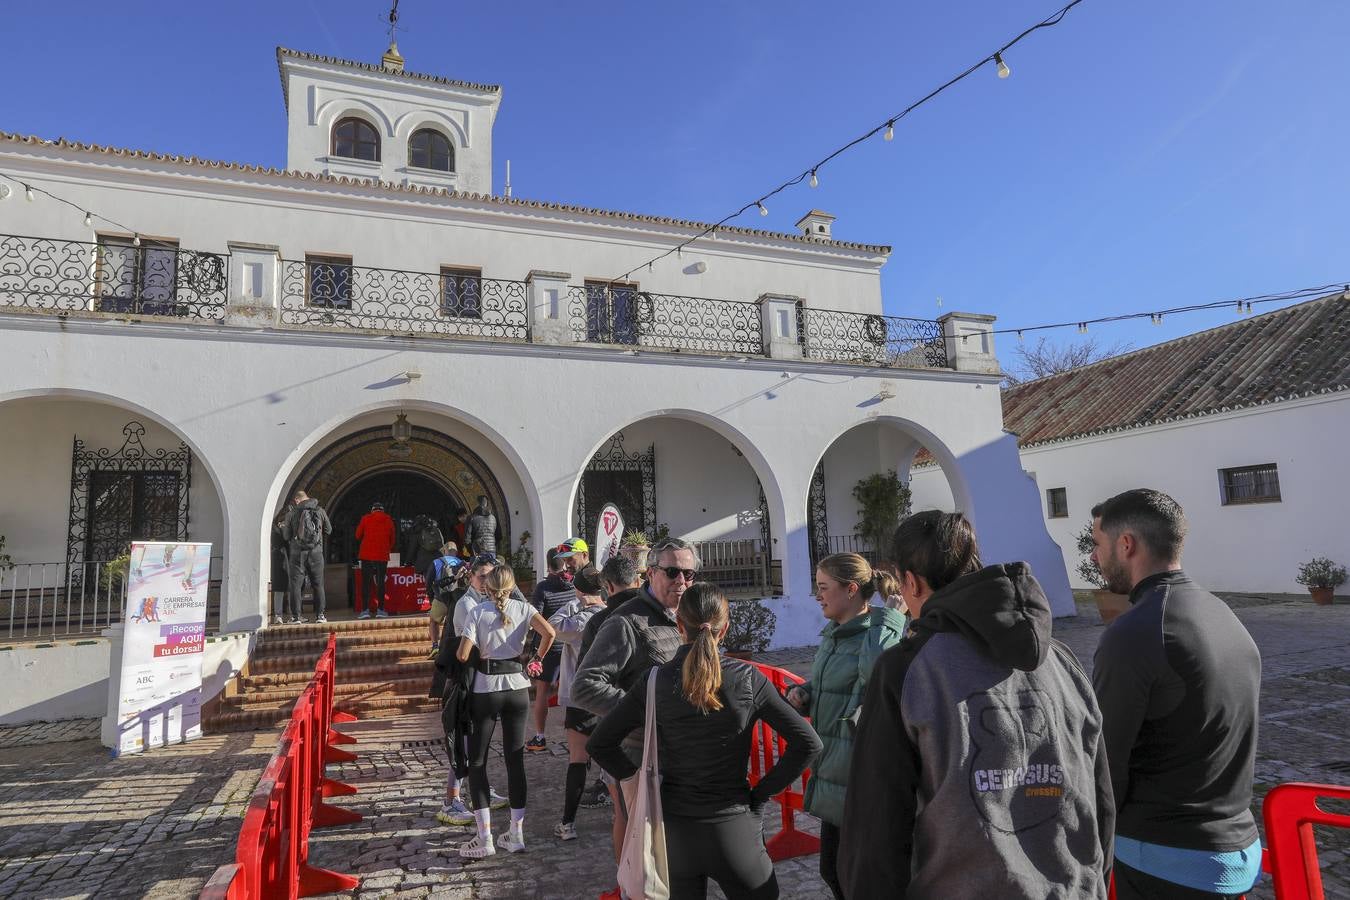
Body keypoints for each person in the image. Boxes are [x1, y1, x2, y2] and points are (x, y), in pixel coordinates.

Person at [838, 511, 1114, 899]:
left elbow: (877, 826)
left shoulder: (907, 669)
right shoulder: (1064, 660)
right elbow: (1100, 792)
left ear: (911, 583)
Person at [588, 583, 822, 900]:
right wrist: (761, 793)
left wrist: (637, 781)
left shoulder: (655, 681)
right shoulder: (748, 679)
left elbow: (600, 743)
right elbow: (808, 743)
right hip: (734, 825)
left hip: (674, 830)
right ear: (725, 629)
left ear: (679, 625)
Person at [1090, 489, 1261, 899]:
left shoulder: (1136, 632)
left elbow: (1102, 762)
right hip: (1234, 847)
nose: (1094, 557)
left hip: (1167, 857)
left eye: (1098, 544)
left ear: (1126, 544)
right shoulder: (1222, 613)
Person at [573, 537, 697, 900]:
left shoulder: (686, 617)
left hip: (681, 757)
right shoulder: (627, 622)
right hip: (640, 758)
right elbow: (584, 686)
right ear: (652, 572)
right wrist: (644, 711)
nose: (681, 581)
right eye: (672, 572)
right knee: (646, 862)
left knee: (676, 856)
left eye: (688, 573)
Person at [784, 553, 907, 899]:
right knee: (834, 871)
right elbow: (835, 685)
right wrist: (804, 693)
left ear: (851, 589)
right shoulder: (835, 632)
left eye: (824, 588)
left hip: (858, 776)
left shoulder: (879, 633)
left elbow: (876, 675)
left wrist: (893, 620)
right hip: (835, 772)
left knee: (854, 878)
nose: (818, 595)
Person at [455, 565, 556, 858]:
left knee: (478, 761)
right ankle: (516, 833)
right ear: (512, 586)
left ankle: (485, 836)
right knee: (515, 759)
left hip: (485, 689)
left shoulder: (477, 611)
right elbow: (549, 632)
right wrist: (535, 657)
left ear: (487, 587)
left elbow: (462, 655)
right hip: (517, 687)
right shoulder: (524, 608)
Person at [547, 566, 607, 840]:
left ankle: (568, 823)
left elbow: (553, 626)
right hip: (608, 693)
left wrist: (575, 601)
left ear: (580, 591)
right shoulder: (611, 613)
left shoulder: (580, 619)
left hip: (581, 694)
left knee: (578, 759)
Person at [526, 547, 577, 752]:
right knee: (574, 691)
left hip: (548, 646)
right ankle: (576, 733)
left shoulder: (543, 587)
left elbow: (534, 618)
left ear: (548, 565)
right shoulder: (574, 585)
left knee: (542, 693)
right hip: (571, 643)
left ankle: (540, 736)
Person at [282, 490, 332, 624]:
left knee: (295, 586)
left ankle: (296, 617)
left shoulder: (291, 513)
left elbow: (286, 536)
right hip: (316, 553)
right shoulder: (320, 510)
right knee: (318, 584)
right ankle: (320, 615)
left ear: (297, 500)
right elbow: (329, 530)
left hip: (297, 554)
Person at [355, 501, 396, 619]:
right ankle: (381, 610)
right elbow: (392, 539)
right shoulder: (388, 520)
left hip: (366, 555)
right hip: (382, 555)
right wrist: (387, 547)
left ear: (372, 510)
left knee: (366, 583)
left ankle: (365, 611)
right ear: (382, 510)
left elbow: (357, 535)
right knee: (381, 583)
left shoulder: (365, 518)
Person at [425, 542, 462, 657]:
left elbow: (428, 582)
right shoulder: (461, 563)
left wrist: (432, 598)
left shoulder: (436, 562)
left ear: (445, 550)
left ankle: (435, 647)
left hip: (440, 598)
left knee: (434, 622)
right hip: (456, 599)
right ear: (455, 552)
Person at [269, 509, 291, 624]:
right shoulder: (274, 527)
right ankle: (278, 615)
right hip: (278, 558)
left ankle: (293, 614)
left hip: (287, 558)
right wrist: (283, 529)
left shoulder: (287, 527)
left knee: (291, 587)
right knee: (279, 588)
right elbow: (281, 540)